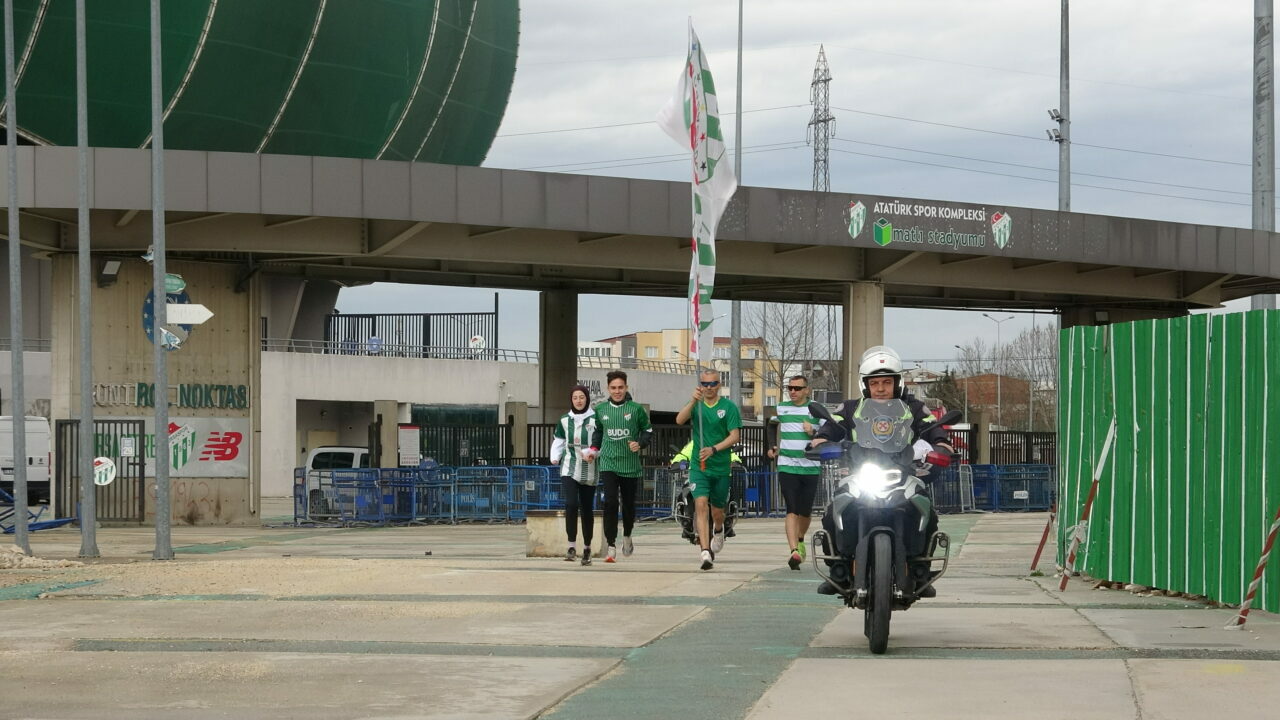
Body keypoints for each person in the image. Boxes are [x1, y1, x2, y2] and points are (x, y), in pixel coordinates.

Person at [813, 345, 953, 595]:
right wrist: (820, 443)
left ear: (897, 383)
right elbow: (828, 430)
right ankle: (838, 568)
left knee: (927, 512)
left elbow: (935, 431)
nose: (880, 388)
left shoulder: (915, 407)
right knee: (833, 512)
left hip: (905, 474)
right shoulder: (850, 408)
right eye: (874, 382)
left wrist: (941, 447)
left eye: (886, 382)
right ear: (865, 384)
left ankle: (921, 570)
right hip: (859, 474)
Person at [675, 369, 741, 571]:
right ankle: (704, 550)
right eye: (705, 384)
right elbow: (679, 420)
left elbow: (734, 436)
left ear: (719, 385)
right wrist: (693, 401)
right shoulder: (697, 405)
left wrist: (714, 449)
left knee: (717, 510)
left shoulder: (728, 407)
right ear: (700, 385)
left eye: (712, 384)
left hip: (720, 466)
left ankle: (719, 530)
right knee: (701, 504)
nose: (709, 388)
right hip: (699, 466)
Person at [767, 374, 834, 570]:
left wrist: (812, 433)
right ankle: (794, 551)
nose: (793, 392)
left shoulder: (816, 410)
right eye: (790, 388)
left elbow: (828, 436)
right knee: (792, 509)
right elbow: (771, 425)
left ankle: (801, 539)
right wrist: (772, 445)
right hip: (787, 464)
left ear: (807, 390)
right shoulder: (781, 407)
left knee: (805, 511)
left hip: (810, 466)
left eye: (797, 388)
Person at [588, 370, 652, 563]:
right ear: (608, 389)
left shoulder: (635, 409)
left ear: (626, 388)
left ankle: (627, 536)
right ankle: (611, 544)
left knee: (629, 504)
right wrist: (593, 449)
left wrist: (639, 443)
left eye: (620, 387)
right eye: (613, 388)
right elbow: (598, 434)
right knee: (610, 502)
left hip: (629, 464)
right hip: (608, 462)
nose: (617, 391)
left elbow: (647, 431)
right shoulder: (600, 410)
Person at [549, 385, 599, 566]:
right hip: (569, 466)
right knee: (571, 504)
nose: (578, 400)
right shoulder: (564, 420)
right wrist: (555, 457)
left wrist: (594, 453)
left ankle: (587, 548)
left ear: (587, 398)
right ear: (571, 400)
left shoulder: (596, 419)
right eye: (575, 397)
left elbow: (600, 441)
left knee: (586, 509)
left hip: (590, 467)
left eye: (582, 397)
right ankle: (571, 546)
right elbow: (559, 440)